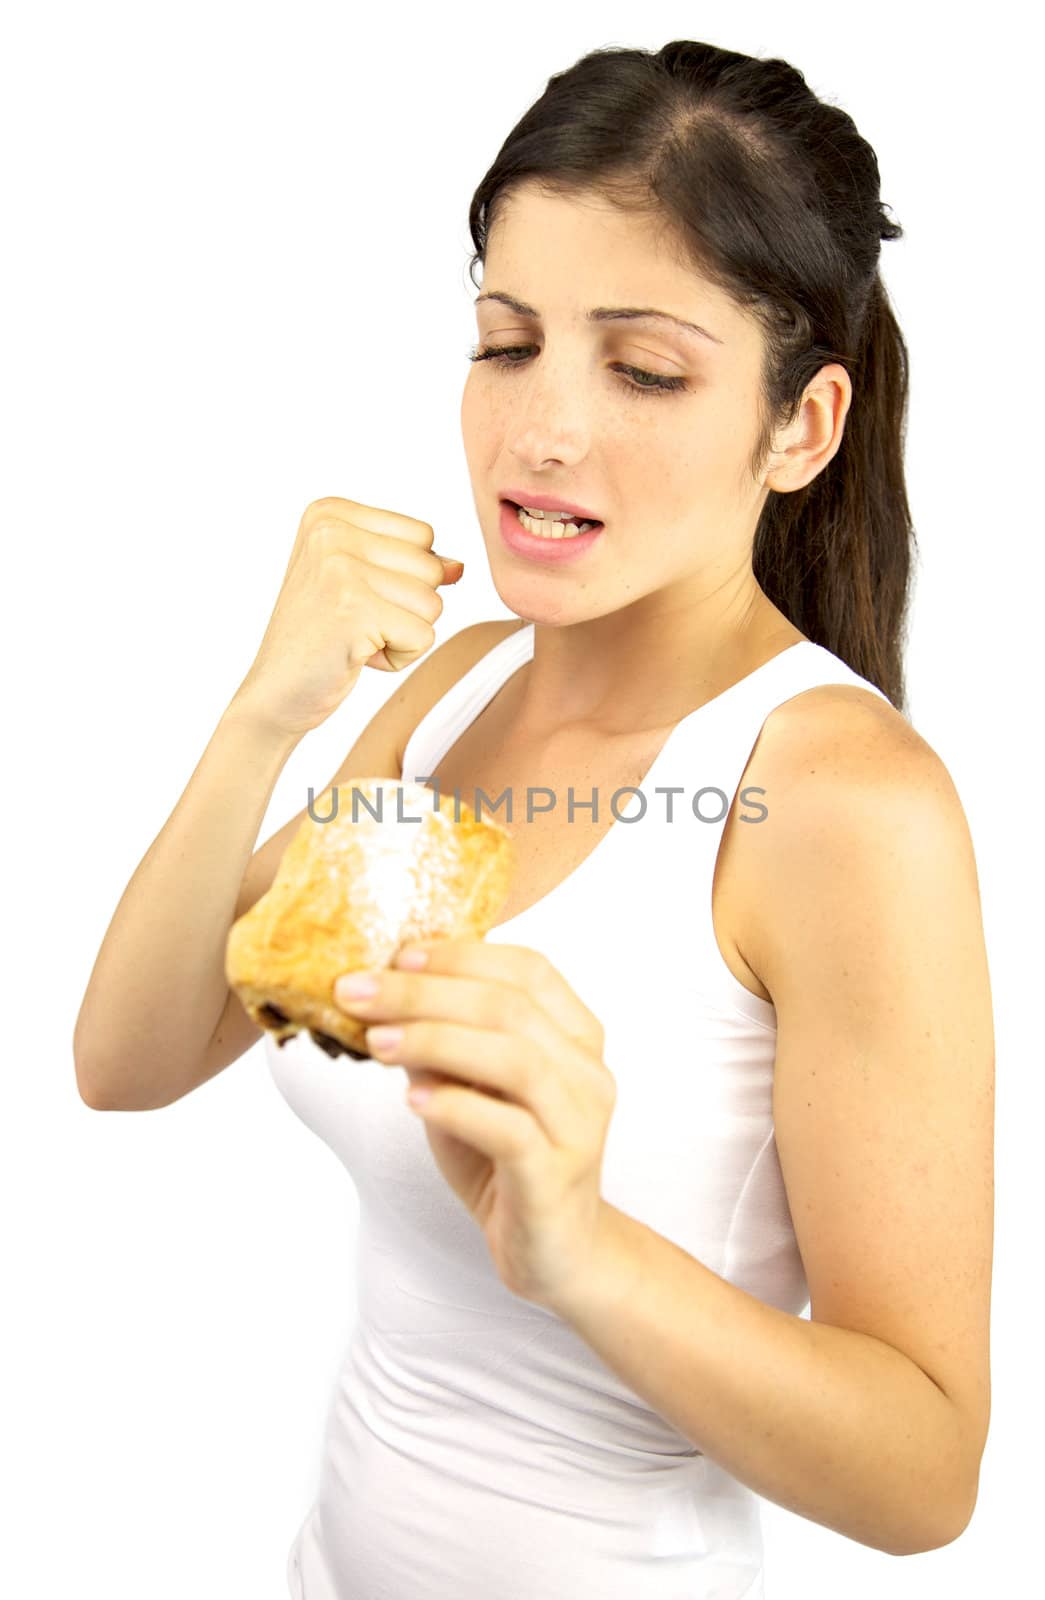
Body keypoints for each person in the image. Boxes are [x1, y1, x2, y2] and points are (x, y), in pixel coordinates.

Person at [74, 38, 994, 1599]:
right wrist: (264, 712)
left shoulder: (840, 804)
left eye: (641, 369)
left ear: (802, 426)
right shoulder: (454, 691)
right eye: (509, 342)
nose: (541, 430)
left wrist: (578, 1254)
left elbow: (926, 1473)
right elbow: (137, 1059)